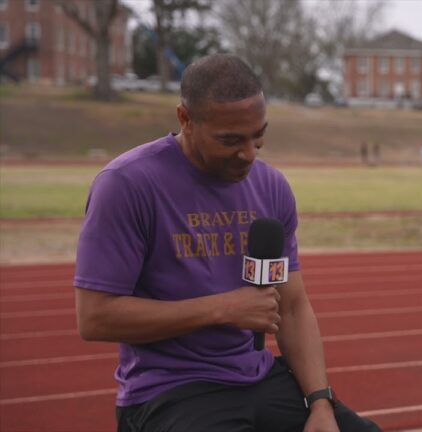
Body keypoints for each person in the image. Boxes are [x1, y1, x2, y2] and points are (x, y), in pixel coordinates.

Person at [73, 54, 381, 432]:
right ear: (185, 119)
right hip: (171, 391)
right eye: (231, 140)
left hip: (260, 379)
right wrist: (220, 308)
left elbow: (294, 307)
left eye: (258, 136)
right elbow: (95, 316)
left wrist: (320, 403)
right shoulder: (127, 185)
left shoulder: (271, 187)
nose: (249, 154)